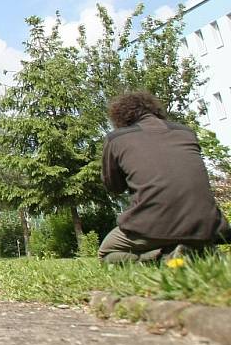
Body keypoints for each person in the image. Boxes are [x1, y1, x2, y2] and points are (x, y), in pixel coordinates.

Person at [98, 92, 230, 264]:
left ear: (120, 117)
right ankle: (198, 250)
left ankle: (161, 258)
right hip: (208, 224)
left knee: (107, 253)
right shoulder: (186, 132)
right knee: (186, 235)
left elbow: (114, 187)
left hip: (153, 224)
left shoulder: (116, 139)